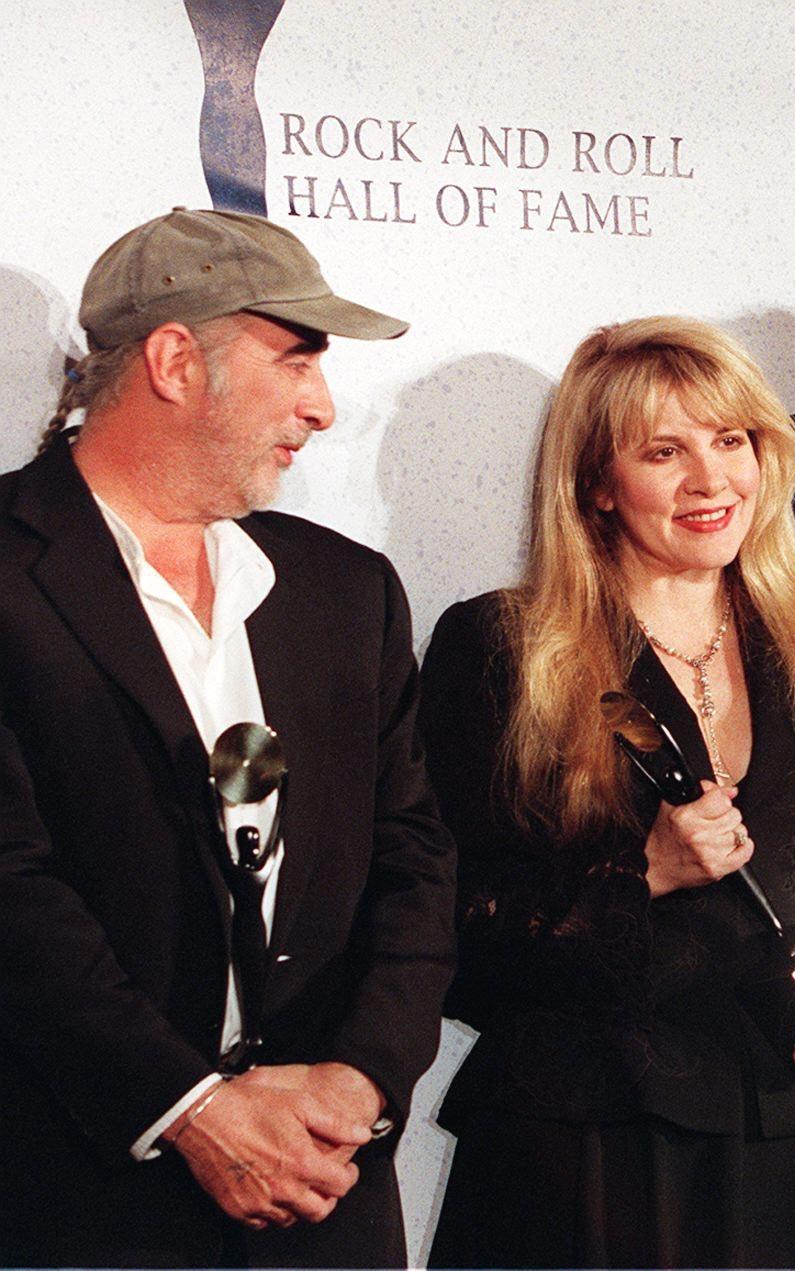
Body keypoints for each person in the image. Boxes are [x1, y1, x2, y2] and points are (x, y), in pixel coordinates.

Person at [0, 207, 455, 1266]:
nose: (323, 407)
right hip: (77, 1195)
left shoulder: (344, 591)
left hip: (325, 1188)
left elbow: (415, 859)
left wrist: (360, 1081)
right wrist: (189, 1104)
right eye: (297, 360)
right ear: (174, 361)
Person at [418, 317, 795, 1269]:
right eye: (663, 451)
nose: (711, 479)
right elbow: (447, 931)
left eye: (732, 441)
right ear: (597, 486)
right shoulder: (505, 649)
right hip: (593, 1154)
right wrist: (639, 874)